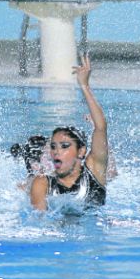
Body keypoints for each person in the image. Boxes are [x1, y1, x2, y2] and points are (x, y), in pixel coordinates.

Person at [29, 54, 109, 210]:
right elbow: (39, 220)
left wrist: (84, 85)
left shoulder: (94, 171)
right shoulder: (42, 184)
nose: (56, 151)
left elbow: (101, 127)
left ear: (81, 151)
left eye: (65, 146)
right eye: (53, 146)